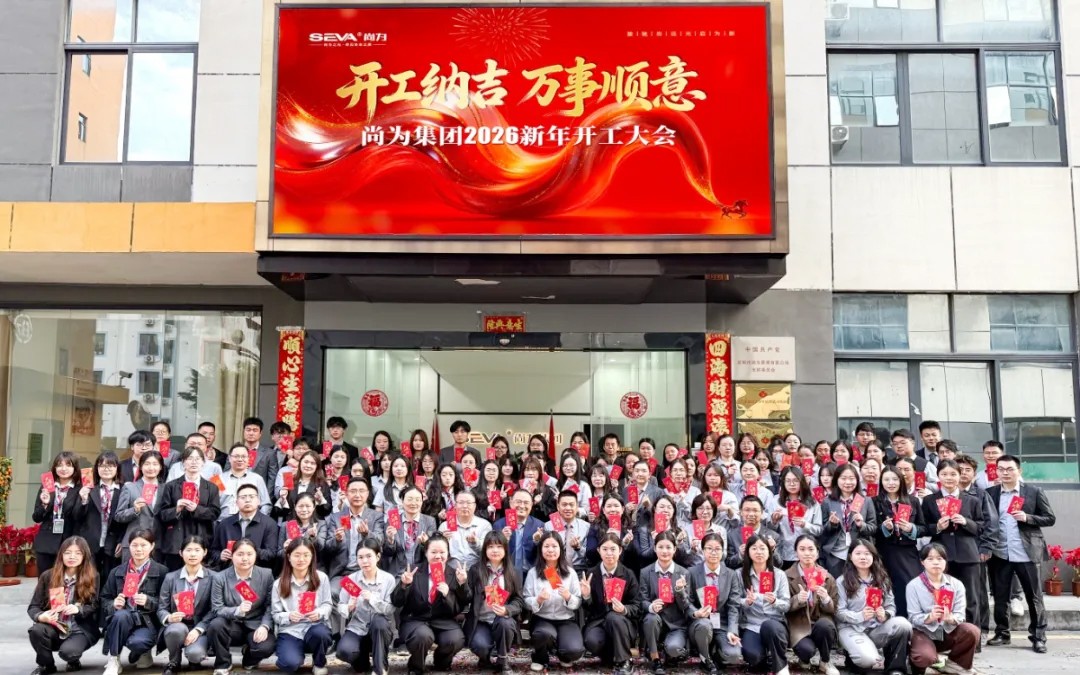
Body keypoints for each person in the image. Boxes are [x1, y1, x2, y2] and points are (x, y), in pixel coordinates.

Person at [986, 454, 1055, 653]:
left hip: (1027, 553)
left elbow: (1050, 518)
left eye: (1010, 469)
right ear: (996, 471)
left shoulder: (1033, 492)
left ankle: (1038, 637)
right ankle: (1002, 633)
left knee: (1034, 597)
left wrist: (1027, 517)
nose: (1005, 473)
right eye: (1001, 469)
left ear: (1019, 471)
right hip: (1000, 553)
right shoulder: (990, 493)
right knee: (1000, 596)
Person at [392, 534, 467, 674]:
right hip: (416, 619)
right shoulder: (413, 571)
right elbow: (396, 601)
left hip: (443, 620)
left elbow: (458, 608)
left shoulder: (454, 574)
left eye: (442, 552)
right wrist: (404, 585)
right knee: (423, 636)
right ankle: (416, 666)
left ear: (448, 553)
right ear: (426, 553)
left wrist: (448, 594)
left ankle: (441, 661)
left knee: (456, 639)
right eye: (433, 552)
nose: (438, 556)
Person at [922, 459, 984, 628]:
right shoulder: (929, 500)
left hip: (967, 556)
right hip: (941, 556)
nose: (949, 478)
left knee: (971, 599)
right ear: (938, 476)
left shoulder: (972, 500)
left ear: (959, 475)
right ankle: (944, 636)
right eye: (944, 474)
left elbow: (980, 527)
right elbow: (924, 527)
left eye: (953, 474)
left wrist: (965, 522)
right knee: (940, 598)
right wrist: (937, 527)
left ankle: (972, 637)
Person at [835, 539, 911, 675]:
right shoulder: (842, 581)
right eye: (858, 553)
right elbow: (839, 612)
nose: (863, 557)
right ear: (850, 556)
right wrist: (860, 615)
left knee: (903, 625)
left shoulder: (882, 579)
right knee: (868, 660)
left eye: (867, 553)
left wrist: (885, 615)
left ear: (873, 556)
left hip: (875, 628)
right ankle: (853, 656)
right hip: (851, 628)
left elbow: (891, 606)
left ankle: (895, 669)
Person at [26, 536, 100, 675]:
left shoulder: (92, 576)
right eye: (67, 552)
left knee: (69, 653)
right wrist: (41, 616)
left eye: (78, 553)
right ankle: (46, 665)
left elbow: (95, 605)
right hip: (54, 627)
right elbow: (33, 606)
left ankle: (73, 659)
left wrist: (78, 609)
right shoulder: (48, 576)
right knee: (36, 630)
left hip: (79, 629)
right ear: (61, 555)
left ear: (85, 556)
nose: (72, 557)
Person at [101, 529, 169, 675]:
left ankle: (143, 651)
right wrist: (114, 603)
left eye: (143, 545)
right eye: (134, 545)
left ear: (152, 546)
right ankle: (114, 659)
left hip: (147, 622)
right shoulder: (117, 572)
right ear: (129, 546)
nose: (138, 549)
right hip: (123, 619)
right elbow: (104, 598)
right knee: (120, 615)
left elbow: (167, 603)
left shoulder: (162, 572)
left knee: (137, 643)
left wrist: (148, 601)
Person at [907, 543, 982, 675]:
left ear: (946, 561)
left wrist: (951, 618)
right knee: (925, 657)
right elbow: (913, 617)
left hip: (947, 630)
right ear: (922, 562)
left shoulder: (956, 584)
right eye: (930, 559)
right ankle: (917, 663)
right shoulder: (913, 586)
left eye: (940, 558)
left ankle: (955, 664)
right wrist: (929, 617)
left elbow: (960, 615)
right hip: (924, 632)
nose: (936, 562)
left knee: (971, 631)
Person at [207, 538, 277, 674]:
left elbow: (270, 605)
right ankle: (223, 662)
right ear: (232, 556)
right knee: (215, 625)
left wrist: (265, 626)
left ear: (256, 555)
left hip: (256, 623)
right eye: (240, 554)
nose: (245, 558)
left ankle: (249, 659)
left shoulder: (266, 574)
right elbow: (216, 608)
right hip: (232, 624)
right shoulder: (220, 577)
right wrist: (237, 610)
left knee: (265, 647)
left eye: (249, 554)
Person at [461, 531, 523, 673]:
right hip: (481, 620)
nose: (495, 550)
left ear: (505, 550)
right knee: (480, 646)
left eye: (499, 547)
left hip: (502, 619)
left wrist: (507, 610)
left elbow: (519, 600)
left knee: (505, 623)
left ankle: (503, 659)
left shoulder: (513, 572)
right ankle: (484, 659)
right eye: (490, 547)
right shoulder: (476, 570)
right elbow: (467, 598)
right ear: (485, 550)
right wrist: (463, 584)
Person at [582, 533, 642, 675]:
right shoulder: (591, 574)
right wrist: (586, 596)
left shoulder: (628, 574)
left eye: (613, 549)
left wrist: (624, 609)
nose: (609, 553)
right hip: (598, 622)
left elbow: (637, 605)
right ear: (599, 551)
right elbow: (587, 609)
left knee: (613, 617)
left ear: (620, 550)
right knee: (592, 641)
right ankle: (609, 656)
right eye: (605, 549)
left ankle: (625, 660)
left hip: (623, 624)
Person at [271, 539, 333, 675]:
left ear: (312, 557)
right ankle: (294, 654)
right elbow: (275, 614)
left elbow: (328, 604)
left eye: (306, 555)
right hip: (290, 630)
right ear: (289, 557)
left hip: (315, 626)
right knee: (289, 664)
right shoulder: (278, 584)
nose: (301, 559)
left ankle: (319, 663)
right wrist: (288, 616)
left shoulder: (322, 578)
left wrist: (319, 612)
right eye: (297, 555)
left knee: (321, 634)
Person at [524, 532, 584, 672]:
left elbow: (578, 602)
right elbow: (526, 599)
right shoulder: (533, 573)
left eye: (554, 546)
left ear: (561, 549)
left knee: (574, 651)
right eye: (546, 546)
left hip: (566, 619)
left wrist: (568, 597)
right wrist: (538, 599)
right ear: (541, 549)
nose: (550, 550)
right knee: (543, 634)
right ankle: (540, 657)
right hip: (542, 619)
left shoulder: (570, 573)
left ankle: (562, 653)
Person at [336, 538, 396, 675]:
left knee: (379, 622)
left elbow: (390, 609)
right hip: (357, 628)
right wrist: (349, 607)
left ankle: (380, 667)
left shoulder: (388, 579)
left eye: (369, 556)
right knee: (344, 651)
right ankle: (362, 661)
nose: (365, 561)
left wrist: (372, 599)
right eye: (361, 557)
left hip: (380, 631)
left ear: (378, 557)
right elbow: (340, 606)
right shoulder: (351, 580)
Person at [156, 535, 214, 675]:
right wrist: (169, 617)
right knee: (175, 630)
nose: (192, 554)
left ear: (205, 552)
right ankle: (174, 661)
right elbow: (161, 608)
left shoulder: (214, 578)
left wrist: (198, 629)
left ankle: (194, 659)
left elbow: (215, 610)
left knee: (195, 655)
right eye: (188, 550)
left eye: (197, 550)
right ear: (181, 553)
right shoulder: (171, 578)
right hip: (178, 624)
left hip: (200, 626)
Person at [157, 447, 222, 570]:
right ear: (183, 463)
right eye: (190, 458)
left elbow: (215, 512)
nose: (194, 462)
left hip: (201, 535)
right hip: (176, 539)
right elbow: (163, 514)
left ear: (203, 463)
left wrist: (197, 509)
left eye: (197, 459)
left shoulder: (211, 487)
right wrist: (177, 509)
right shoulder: (171, 486)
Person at [873, 465, 925, 618]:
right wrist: (884, 528)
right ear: (881, 482)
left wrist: (911, 528)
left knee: (910, 585)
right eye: (887, 479)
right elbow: (870, 528)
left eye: (895, 479)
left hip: (907, 551)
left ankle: (911, 621)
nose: (891, 483)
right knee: (888, 587)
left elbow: (923, 528)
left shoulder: (913, 501)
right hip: (885, 551)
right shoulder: (874, 502)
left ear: (901, 480)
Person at [685, 532, 742, 672]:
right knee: (704, 625)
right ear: (702, 550)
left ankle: (715, 652)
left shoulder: (731, 574)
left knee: (734, 655)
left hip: (721, 623)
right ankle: (705, 659)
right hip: (700, 622)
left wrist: (732, 630)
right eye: (709, 548)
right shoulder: (692, 572)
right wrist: (696, 613)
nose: (713, 552)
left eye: (717, 549)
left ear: (723, 551)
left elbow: (734, 606)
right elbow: (687, 601)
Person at [735, 533, 791, 675]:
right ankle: (764, 656)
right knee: (753, 656)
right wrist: (746, 601)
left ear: (769, 551)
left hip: (775, 623)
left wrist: (775, 601)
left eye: (762, 548)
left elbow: (786, 605)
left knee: (769, 626)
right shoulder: (739, 574)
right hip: (751, 624)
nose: (759, 552)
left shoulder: (779, 575)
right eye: (754, 548)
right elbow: (735, 601)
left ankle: (781, 666)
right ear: (748, 552)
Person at [786, 535, 840, 675]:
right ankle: (803, 659)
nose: (807, 553)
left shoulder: (827, 577)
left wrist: (826, 598)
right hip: (799, 624)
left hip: (820, 622)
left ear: (817, 552)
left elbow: (834, 608)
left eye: (811, 549)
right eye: (802, 549)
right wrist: (797, 599)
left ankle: (825, 661)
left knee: (825, 626)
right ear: (796, 552)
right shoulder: (786, 576)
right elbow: (782, 606)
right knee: (806, 650)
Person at [323, 478, 385, 591]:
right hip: (343, 572)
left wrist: (367, 534)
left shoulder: (376, 516)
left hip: (367, 571)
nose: (357, 495)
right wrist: (336, 540)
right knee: (333, 592)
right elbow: (327, 548)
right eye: (353, 491)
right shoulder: (336, 517)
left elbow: (380, 542)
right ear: (346, 494)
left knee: (367, 595)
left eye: (361, 491)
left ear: (367, 494)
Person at [819, 463, 877, 578]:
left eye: (851, 478)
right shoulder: (828, 502)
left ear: (857, 480)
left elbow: (873, 528)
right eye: (843, 478)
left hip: (859, 553)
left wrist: (862, 525)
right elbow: (822, 530)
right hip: (835, 554)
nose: (848, 482)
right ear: (836, 480)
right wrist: (832, 524)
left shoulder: (865, 501)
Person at [32, 451, 83, 573]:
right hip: (46, 541)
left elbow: (79, 516)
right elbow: (37, 517)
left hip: (69, 541)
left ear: (75, 468)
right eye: (59, 465)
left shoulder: (80, 489)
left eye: (68, 465)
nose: (63, 469)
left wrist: (83, 499)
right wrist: (45, 504)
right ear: (54, 468)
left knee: (65, 579)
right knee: (45, 578)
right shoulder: (47, 487)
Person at [77, 451, 124, 583]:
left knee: (110, 578)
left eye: (110, 466)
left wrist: (122, 540)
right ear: (96, 469)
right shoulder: (89, 489)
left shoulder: (124, 489)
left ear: (117, 468)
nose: (106, 469)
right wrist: (83, 500)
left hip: (113, 542)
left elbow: (125, 519)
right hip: (91, 541)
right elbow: (77, 516)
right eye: (102, 466)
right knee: (89, 578)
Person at [211, 483, 279, 571]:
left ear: (258, 501)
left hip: (257, 572)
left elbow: (271, 554)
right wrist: (220, 556)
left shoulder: (269, 523)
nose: (247, 500)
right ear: (236, 502)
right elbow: (213, 551)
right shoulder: (225, 524)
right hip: (229, 571)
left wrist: (249, 551)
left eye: (251, 497)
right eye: (243, 497)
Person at [114, 451, 165, 563]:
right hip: (134, 543)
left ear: (161, 467)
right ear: (140, 466)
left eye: (155, 464)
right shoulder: (130, 487)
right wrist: (135, 509)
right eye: (147, 464)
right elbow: (118, 515)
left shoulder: (166, 489)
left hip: (158, 544)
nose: (151, 468)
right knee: (130, 573)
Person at [773, 466, 823, 569]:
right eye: (788, 481)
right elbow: (770, 530)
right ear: (783, 483)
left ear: (802, 481)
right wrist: (774, 522)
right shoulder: (776, 501)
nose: (792, 484)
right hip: (784, 552)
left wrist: (805, 525)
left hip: (807, 553)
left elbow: (819, 530)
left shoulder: (813, 503)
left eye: (795, 480)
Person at [381, 486, 436, 576]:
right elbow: (387, 553)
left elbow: (433, 550)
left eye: (417, 500)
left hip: (421, 573)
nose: (413, 503)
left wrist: (425, 543)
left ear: (422, 502)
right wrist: (390, 540)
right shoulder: (392, 521)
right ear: (402, 501)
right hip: (398, 573)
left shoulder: (430, 521)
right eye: (410, 499)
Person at [495, 489, 545, 581]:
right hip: (505, 573)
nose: (522, 506)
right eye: (518, 502)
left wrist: (537, 541)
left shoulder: (539, 525)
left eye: (526, 503)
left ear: (531, 505)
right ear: (511, 502)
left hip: (530, 574)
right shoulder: (499, 525)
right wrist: (503, 540)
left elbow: (544, 553)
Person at [725, 496, 781, 570]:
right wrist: (740, 556)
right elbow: (728, 565)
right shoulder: (731, 536)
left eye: (755, 510)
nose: (751, 514)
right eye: (747, 510)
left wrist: (772, 550)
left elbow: (778, 565)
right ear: (740, 512)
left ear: (762, 513)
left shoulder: (773, 536)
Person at [219, 443, 272, 521]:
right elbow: (212, 506)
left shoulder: (257, 479)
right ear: (229, 458)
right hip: (223, 522)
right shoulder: (218, 479)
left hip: (250, 522)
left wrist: (259, 521)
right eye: (236, 456)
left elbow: (266, 504)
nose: (240, 459)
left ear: (248, 458)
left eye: (243, 456)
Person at [544, 490, 592, 573]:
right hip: (555, 568)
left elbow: (588, 556)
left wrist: (578, 548)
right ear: (558, 506)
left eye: (571, 505)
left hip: (578, 569)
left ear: (577, 506)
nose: (568, 508)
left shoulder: (586, 527)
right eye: (564, 505)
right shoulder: (549, 526)